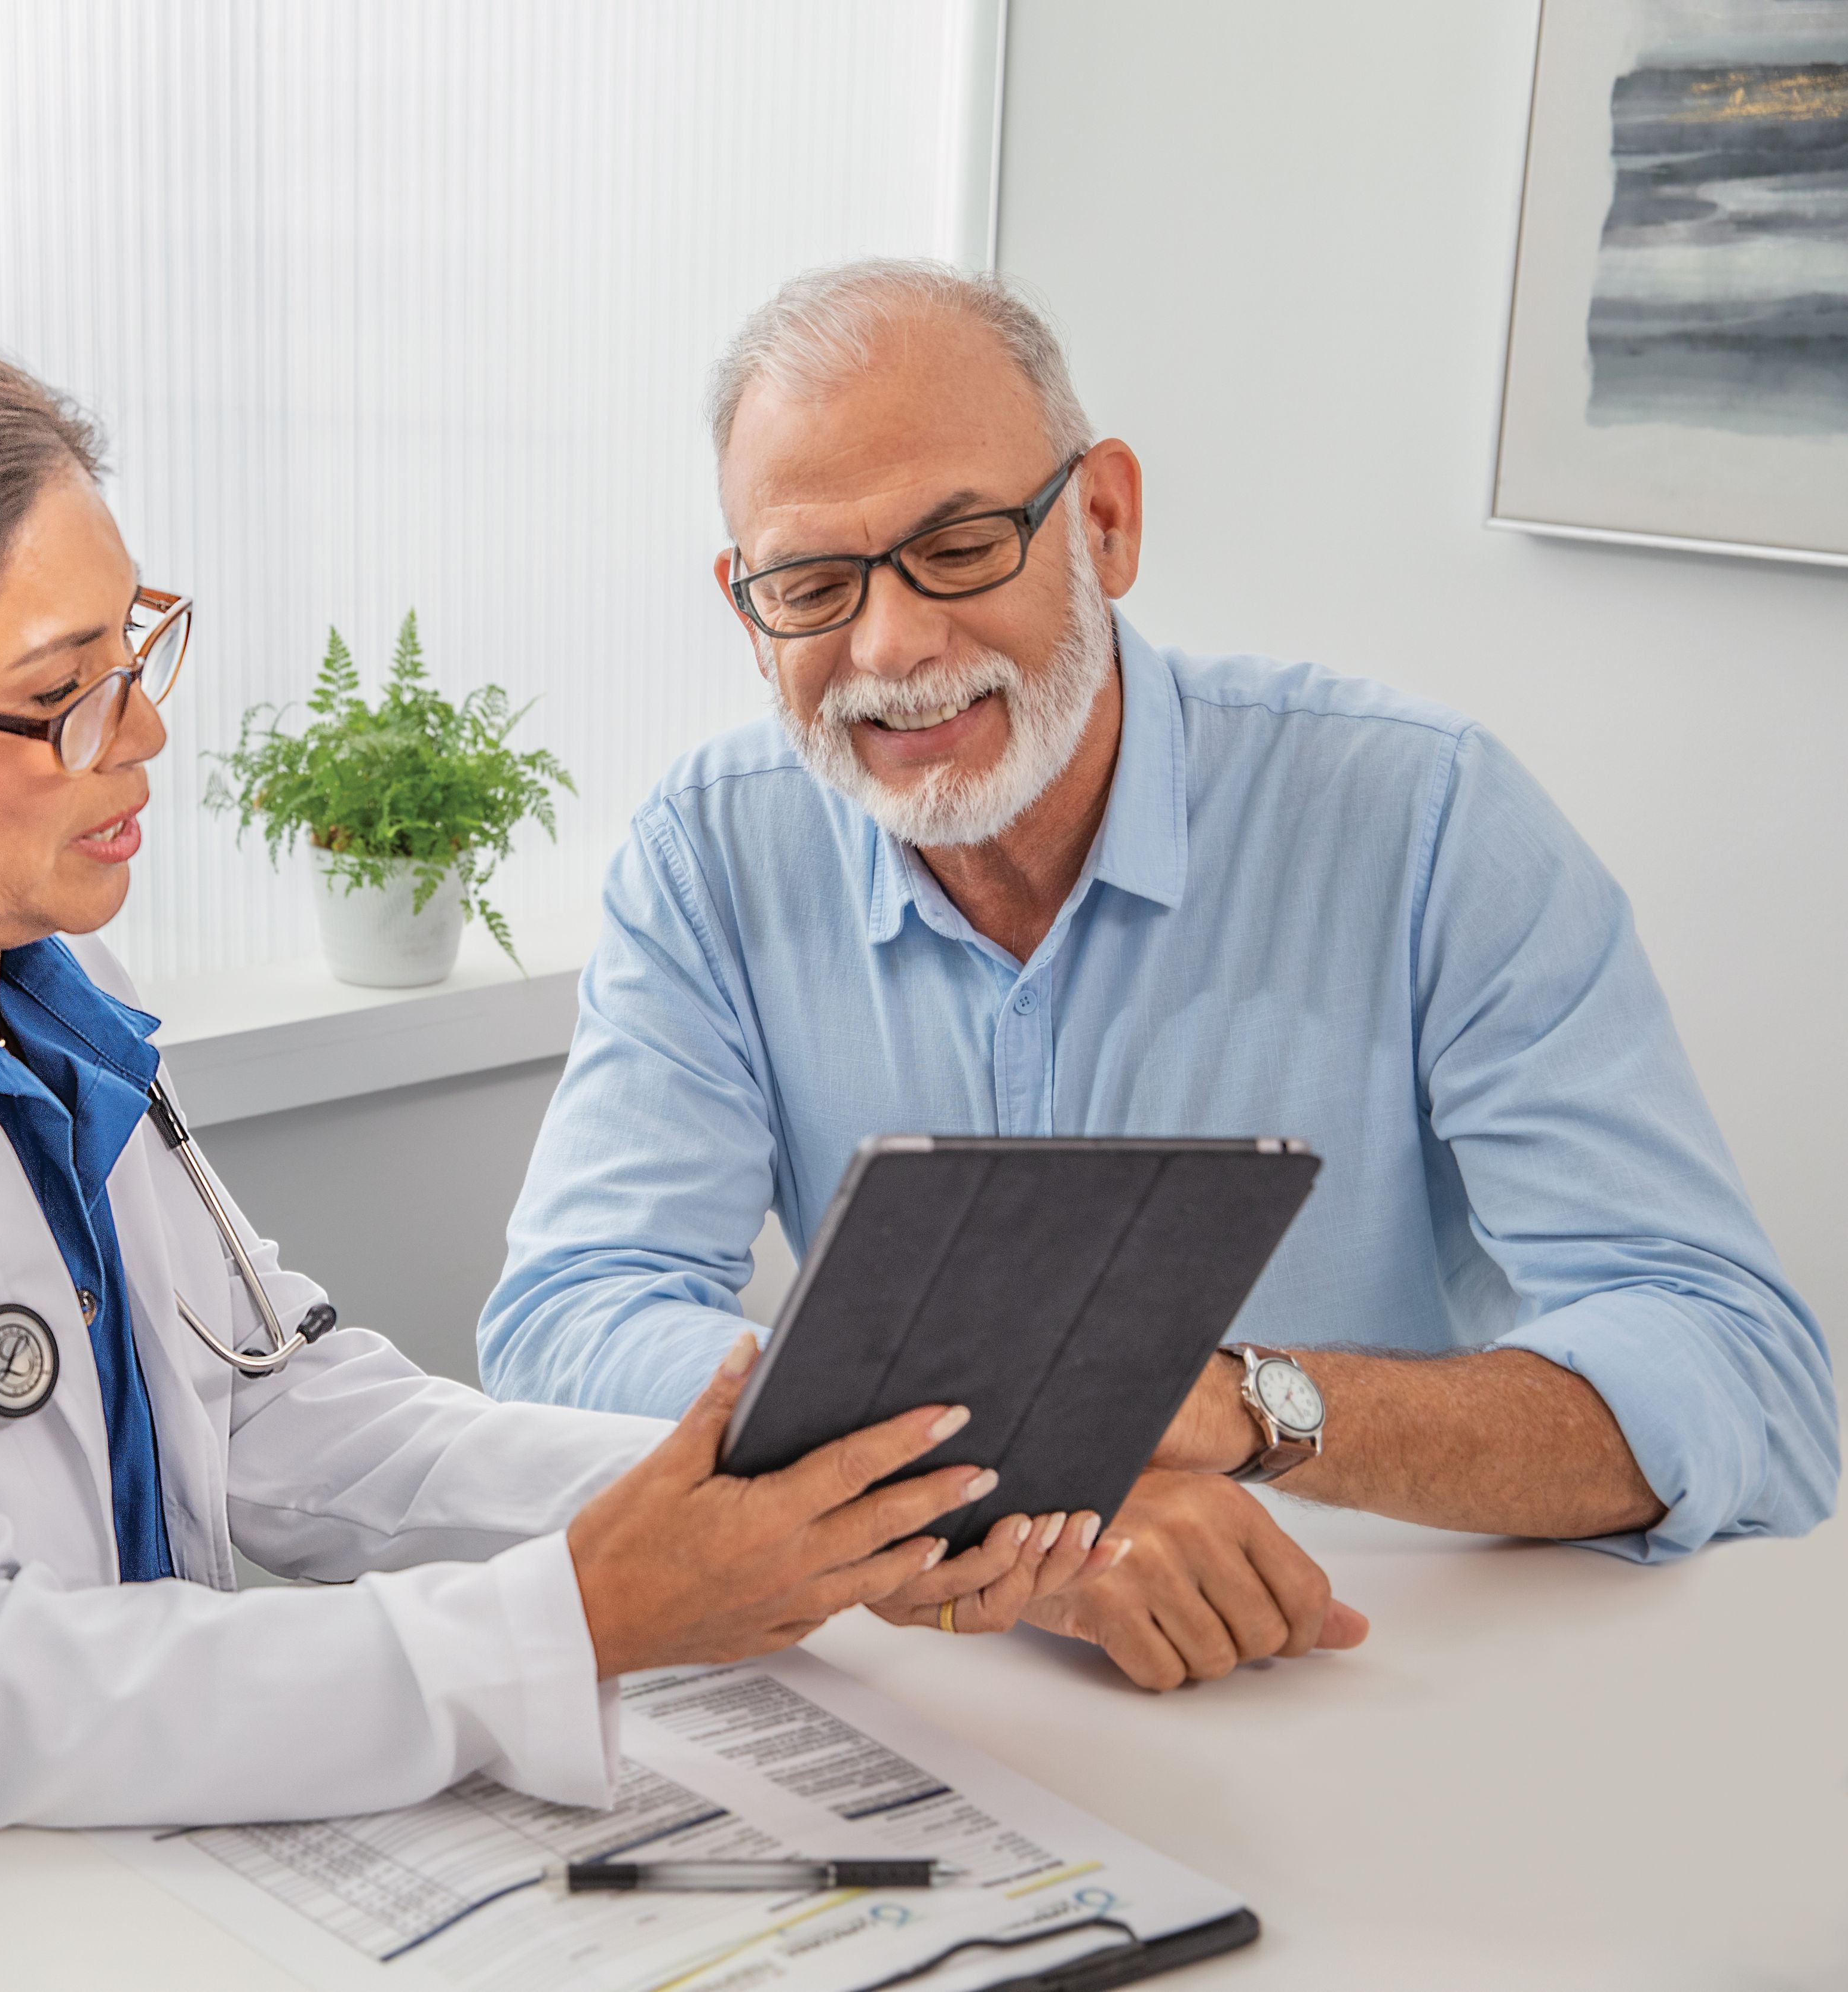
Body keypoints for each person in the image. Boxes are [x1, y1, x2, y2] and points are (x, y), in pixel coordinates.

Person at [0, 326, 1105, 1992]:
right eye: (62, 692)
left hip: (28, 1892)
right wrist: (576, 1614)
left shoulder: (36, 985)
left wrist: (761, 1503)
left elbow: (285, 1409)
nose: (144, 735)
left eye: (135, 648)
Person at [478, 261, 1837, 1694]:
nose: (890, 648)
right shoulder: (710, 849)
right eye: (813, 584)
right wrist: (1011, 1487)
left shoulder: (1427, 816)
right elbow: (571, 1314)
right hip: (947, 1695)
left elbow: (1737, 1371)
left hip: (1372, 1673)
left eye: (959, 547)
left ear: (1105, 523)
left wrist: (1247, 1409)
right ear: (751, 614)